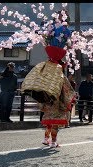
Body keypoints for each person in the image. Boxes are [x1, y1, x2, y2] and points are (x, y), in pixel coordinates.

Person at [21, 11, 75, 148]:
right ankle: (54, 141)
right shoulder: (58, 69)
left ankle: (47, 139)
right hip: (56, 98)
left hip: (47, 95)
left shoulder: (47, 65)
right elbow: (67, 88)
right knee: (55, 119)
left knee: (49, 119)